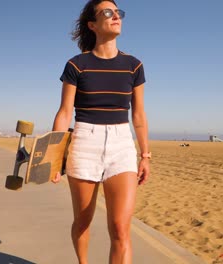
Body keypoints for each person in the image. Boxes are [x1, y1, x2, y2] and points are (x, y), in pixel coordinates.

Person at [51, 1, 150, 263]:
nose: (116, 16)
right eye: (108, 12)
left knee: (120, 228)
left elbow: (138, 116)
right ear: (92, 25)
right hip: (85, 142)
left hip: (122, 144)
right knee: (83, 221)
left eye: (118, 12)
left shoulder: (134, 65)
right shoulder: (76, 65)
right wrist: (53, 157)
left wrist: (145, 155)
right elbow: (64, 112)